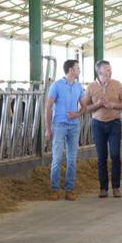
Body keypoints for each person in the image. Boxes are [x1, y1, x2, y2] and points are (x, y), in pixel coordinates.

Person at [82, 60, 122, 198]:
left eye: (110, 69)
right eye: (107, 69)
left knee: (115, 155)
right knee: (101, 157)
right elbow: (84, 108)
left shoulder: (117, 84)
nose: (110, 71)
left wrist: (112, 105)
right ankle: (103, 188)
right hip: (98, 124)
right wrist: (97, 105)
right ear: (100, 72)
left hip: (114, 122)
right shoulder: (90, 87)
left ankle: (116, 187)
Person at [45, 59, 86, 201]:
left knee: (72, 159)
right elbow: (49, 107)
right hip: (60, 124)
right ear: (70, 70)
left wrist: (77, 114)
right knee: (57, 158)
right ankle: (55, 189)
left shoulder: (78, 87)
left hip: (74, 125)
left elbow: (84, 106)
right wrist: (48, 128)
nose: (79, 70)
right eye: (77, 68)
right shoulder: (56, 86)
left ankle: (69, 189)